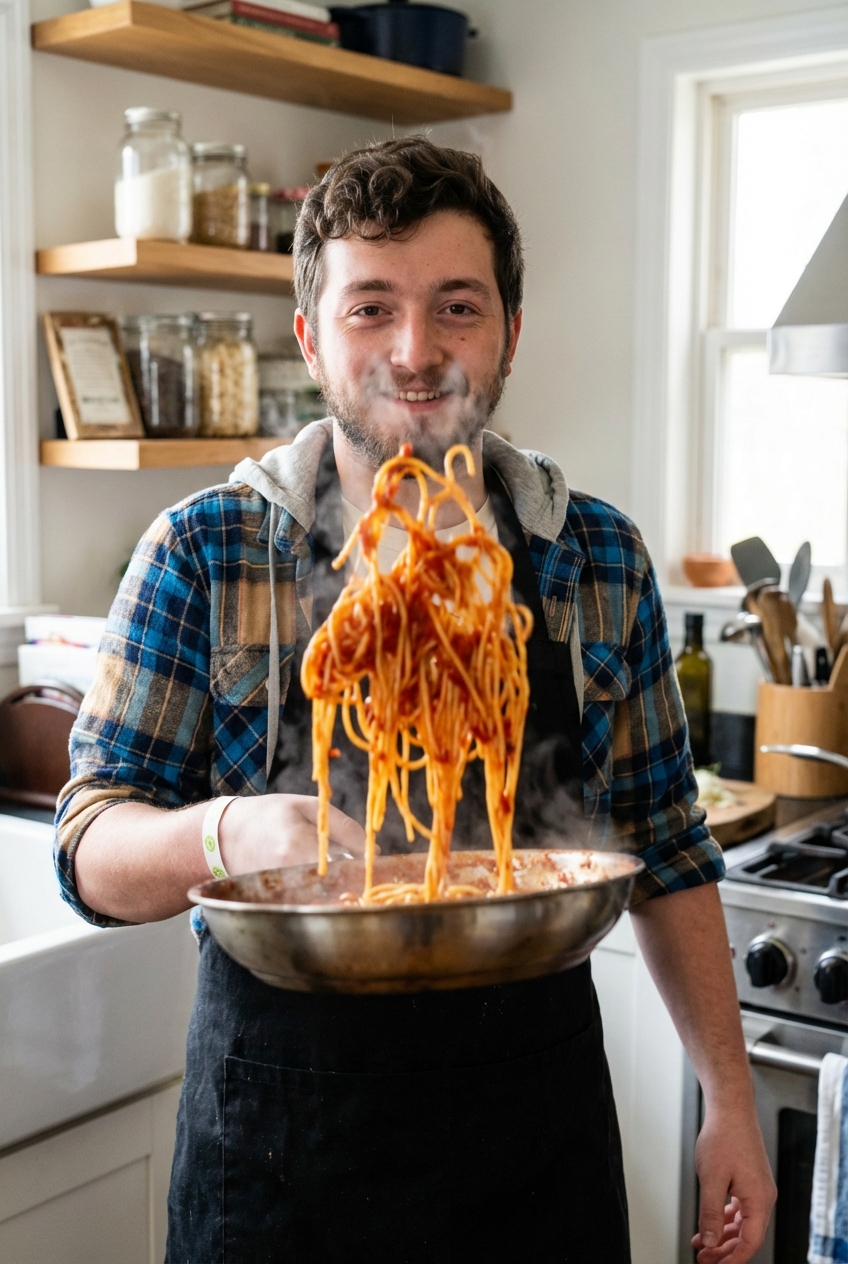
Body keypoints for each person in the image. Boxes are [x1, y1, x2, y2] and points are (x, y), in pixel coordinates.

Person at [55, 136, 775, 1263]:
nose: (415, 350)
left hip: (533, 1155)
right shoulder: (203, 552)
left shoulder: (592, 557)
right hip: (276, 1161)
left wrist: (727, 1101)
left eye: (456, 307)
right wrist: (229, 827)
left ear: (507, 333)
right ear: (309, 335)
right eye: (370, 308)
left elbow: (666, 847)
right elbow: (88, 844)